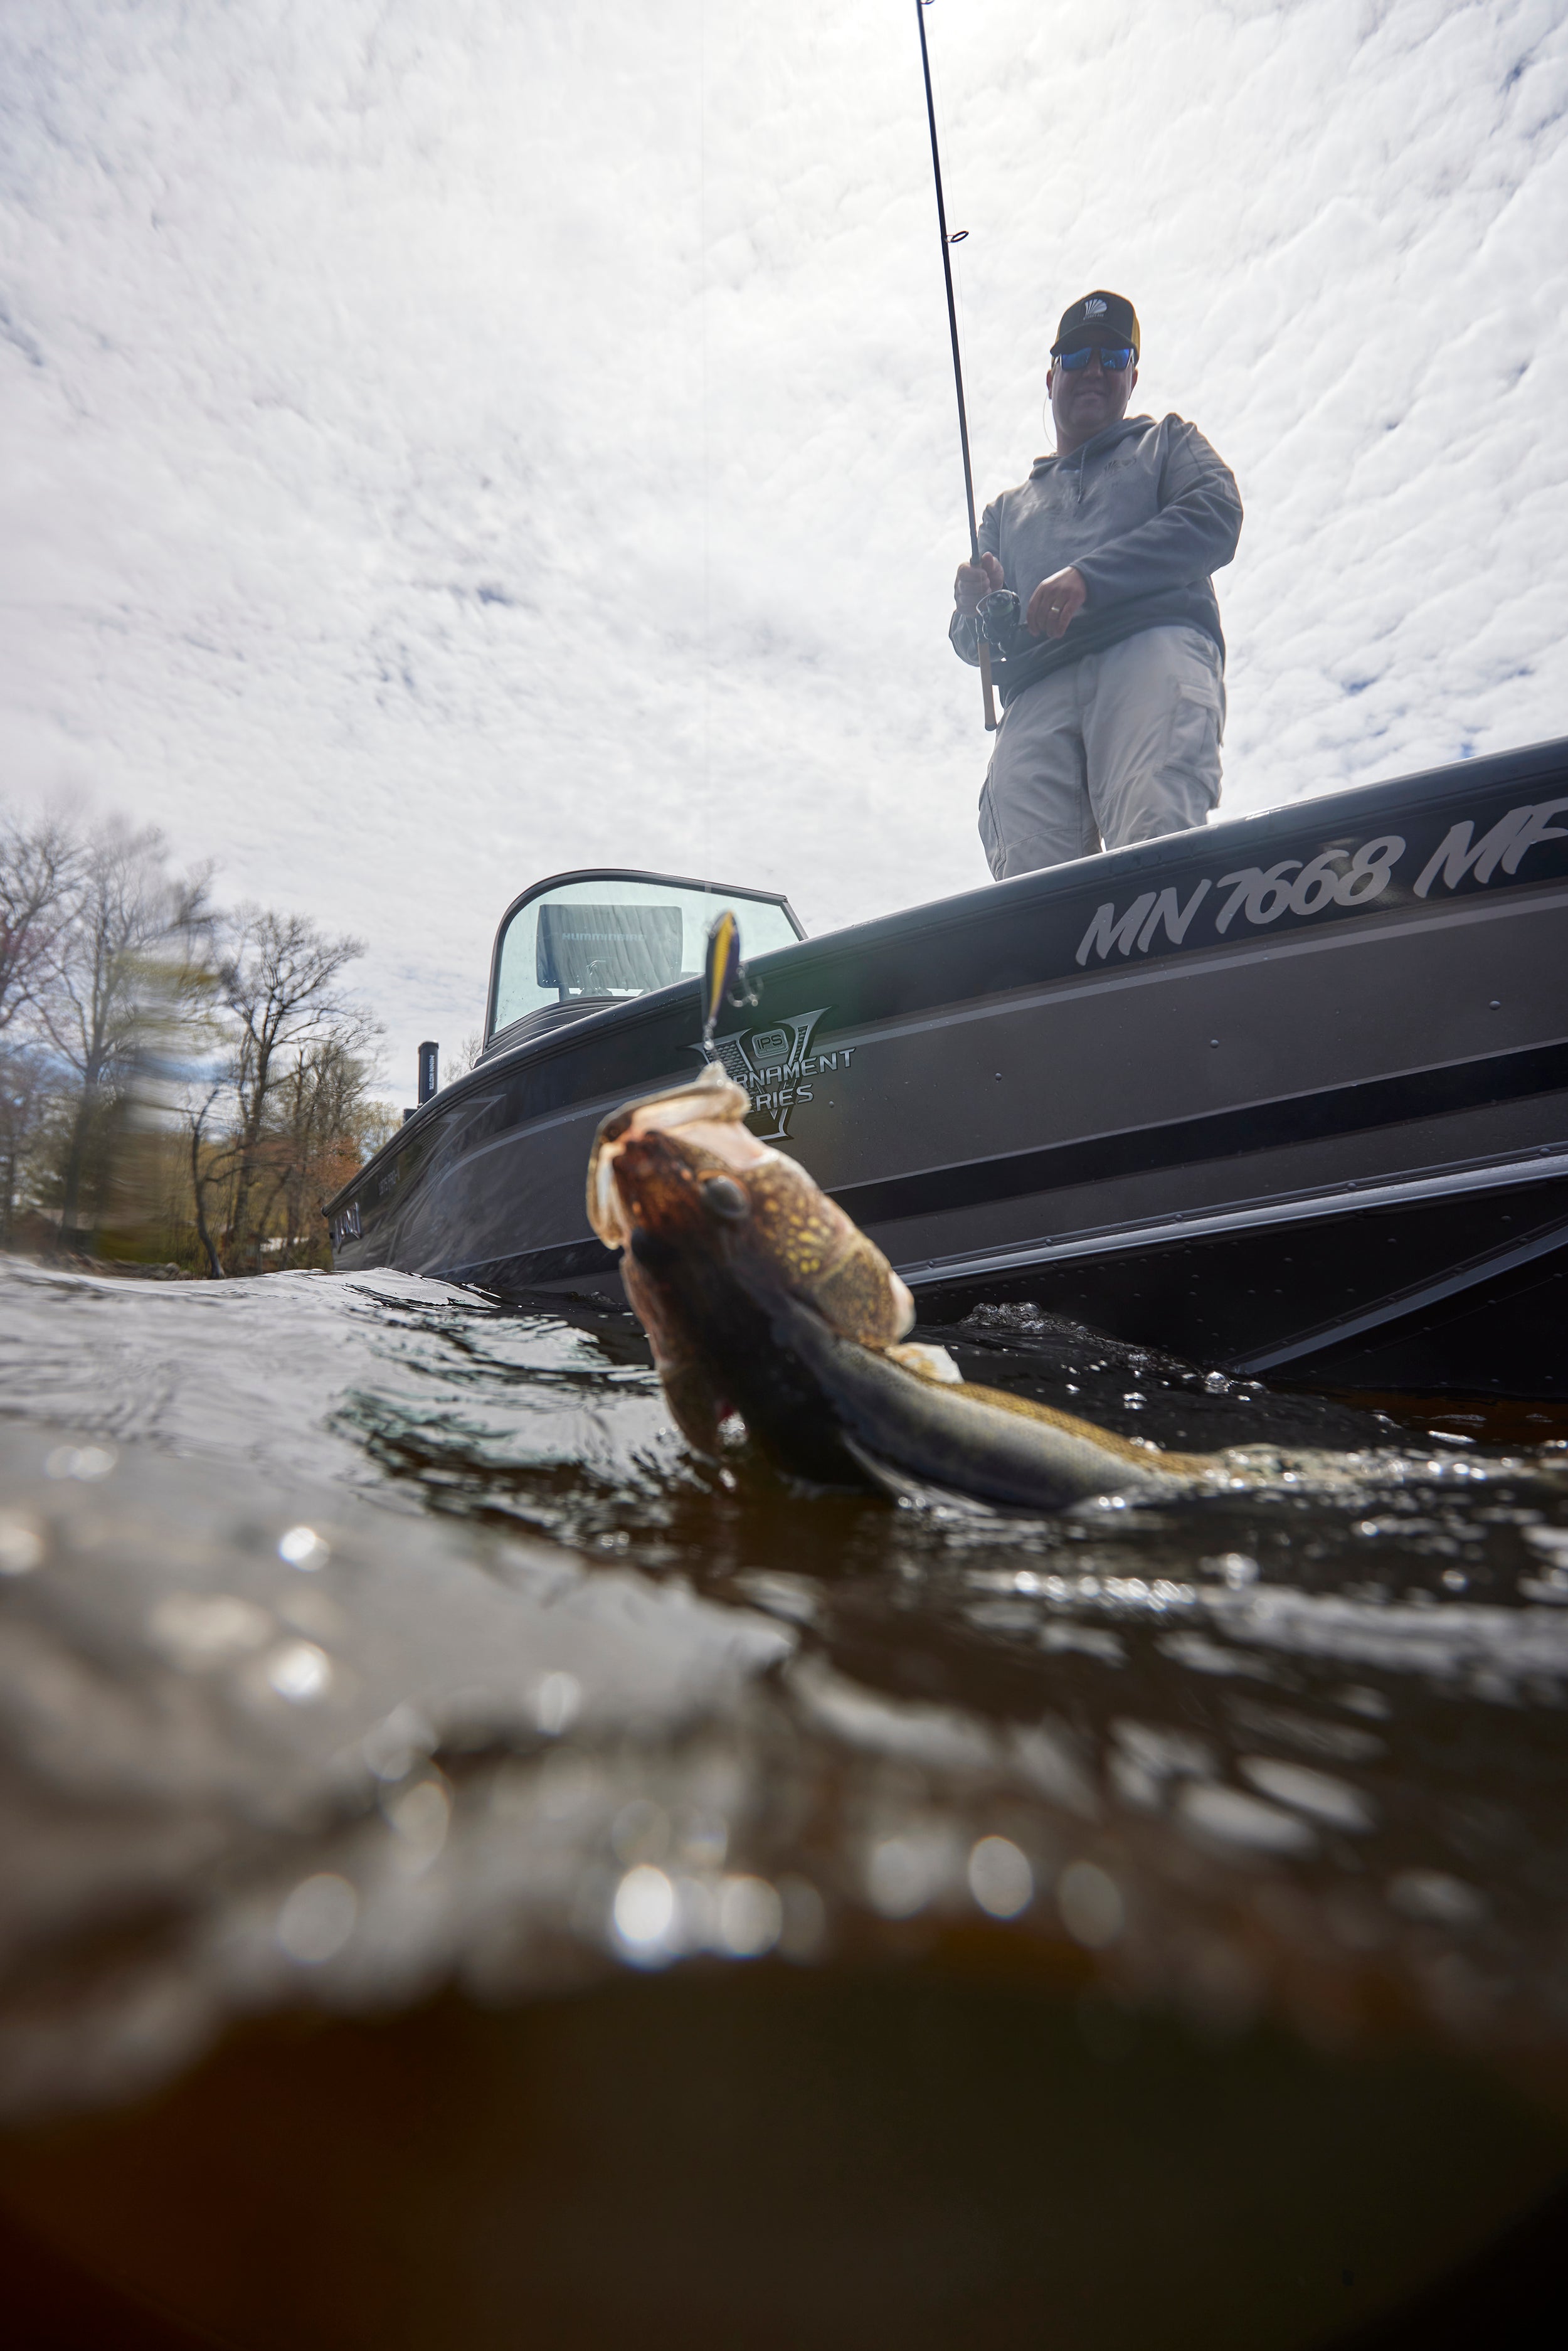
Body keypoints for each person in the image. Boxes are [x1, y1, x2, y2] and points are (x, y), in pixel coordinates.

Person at [950, 290, 1242, 879]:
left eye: (1112, 358)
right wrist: (972, 608)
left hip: (1150, 649)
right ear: (1051, 375)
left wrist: (1091, 577)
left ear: (1132, 375)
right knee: (1029, 885)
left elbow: (1216, 514)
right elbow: (969, 640)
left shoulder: (1170, 443)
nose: (1093, 370)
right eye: (1078, 355)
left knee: (1156, 844)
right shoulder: (1004, 513)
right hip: (1034, 689)